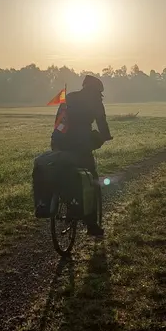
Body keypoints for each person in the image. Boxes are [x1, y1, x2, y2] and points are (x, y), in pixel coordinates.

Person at [50, 75, 112, 237]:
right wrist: (105, 136)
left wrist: (56, 142)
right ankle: (92, 226)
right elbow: (101, 122)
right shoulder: (95, 101)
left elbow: (58, 120)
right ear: (97, 90)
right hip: (81, 145)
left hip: (60, 143)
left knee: (66, 173)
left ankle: (68, 203)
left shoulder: (69, 97)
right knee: (92, 180)